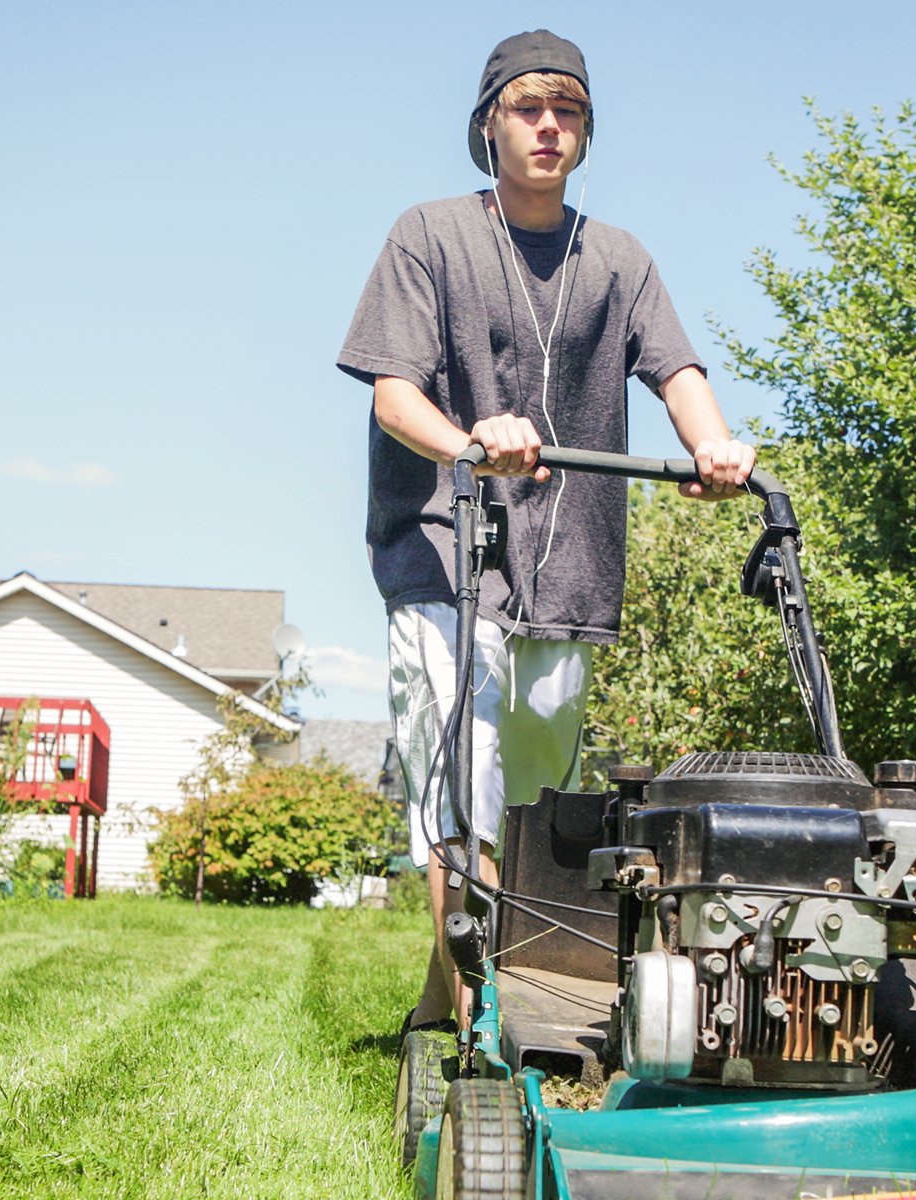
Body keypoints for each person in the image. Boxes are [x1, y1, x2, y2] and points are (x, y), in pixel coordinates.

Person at [336, 29, 756, 1031]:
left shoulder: (618, 258)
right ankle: (481, 1022)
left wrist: (715, 448)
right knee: (461, 791)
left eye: (568, 110)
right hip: (443, 553)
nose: (549, 126)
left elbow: (676, 373)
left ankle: (451, 1002)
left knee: (532, 809)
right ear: (488, 124)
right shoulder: (430, 235)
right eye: (528, 108)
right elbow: (396, 396)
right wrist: (469, 442)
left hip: (567, 570)